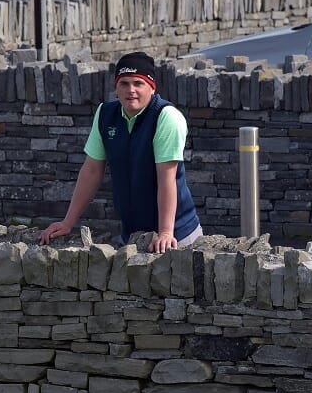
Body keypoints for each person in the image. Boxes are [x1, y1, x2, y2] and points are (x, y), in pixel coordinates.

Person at [39, 51, 202, 253]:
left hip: (177, 236)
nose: (130, 90)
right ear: (116, 87)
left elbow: (166, 179)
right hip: (131, 236)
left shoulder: (167, 117)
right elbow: (91, 170)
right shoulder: (105, 114)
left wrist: (166, 232)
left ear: (152, 87)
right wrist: (67, 223)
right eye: (124, 83)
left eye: (138, 83)